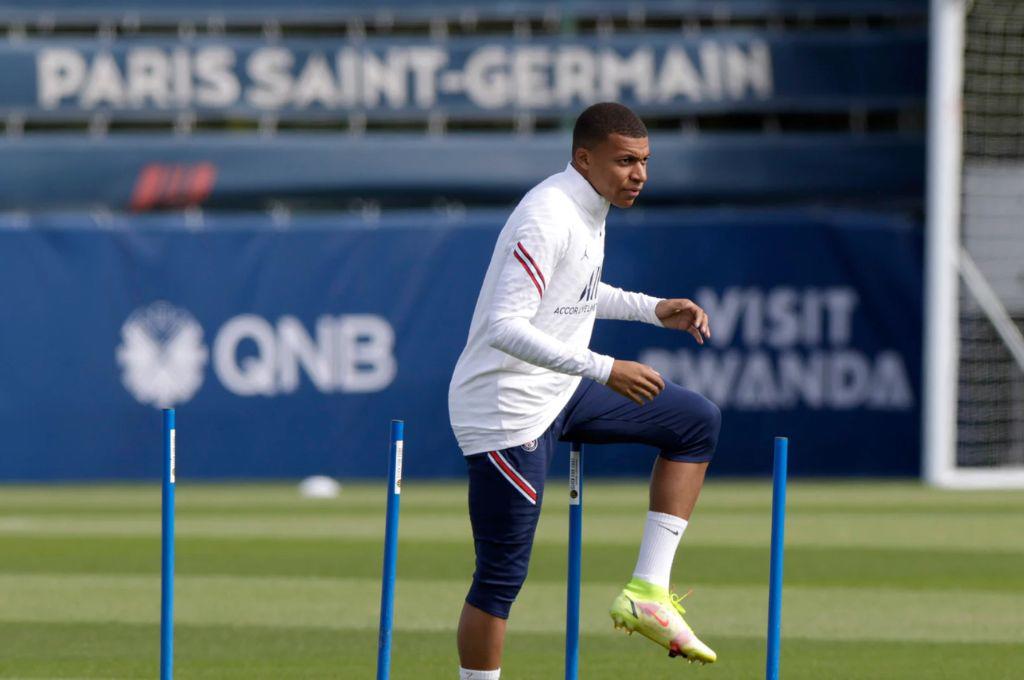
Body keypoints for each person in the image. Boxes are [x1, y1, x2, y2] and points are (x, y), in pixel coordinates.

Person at [448, 102, 721, 679]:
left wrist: (652, 309)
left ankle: (648, 593)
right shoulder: (546, 215)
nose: (639, 175)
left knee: (695, 421)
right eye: (625, 162)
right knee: (500, 579)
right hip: (507, 408)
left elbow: (577, 292)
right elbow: (504, 327)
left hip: (562, 387)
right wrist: (604, 367)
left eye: (644, 161)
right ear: (583, 158)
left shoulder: (591, 205)